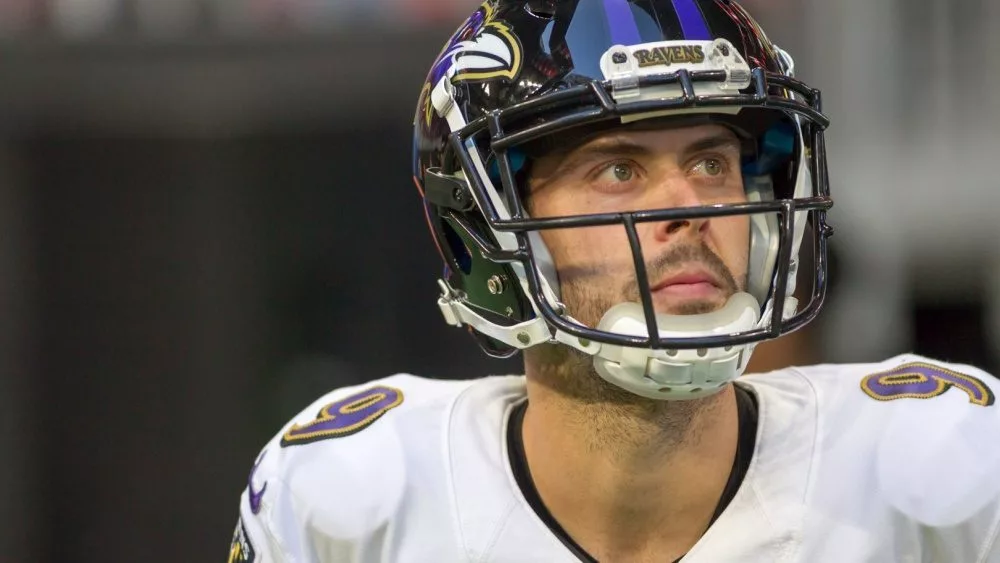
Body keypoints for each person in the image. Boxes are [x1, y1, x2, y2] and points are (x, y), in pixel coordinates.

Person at [228, 1, 1000, 561]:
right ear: (489, 229)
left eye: (711, 162)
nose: (689, 207)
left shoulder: (939, 469)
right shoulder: (352, 499)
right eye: (620, 169)